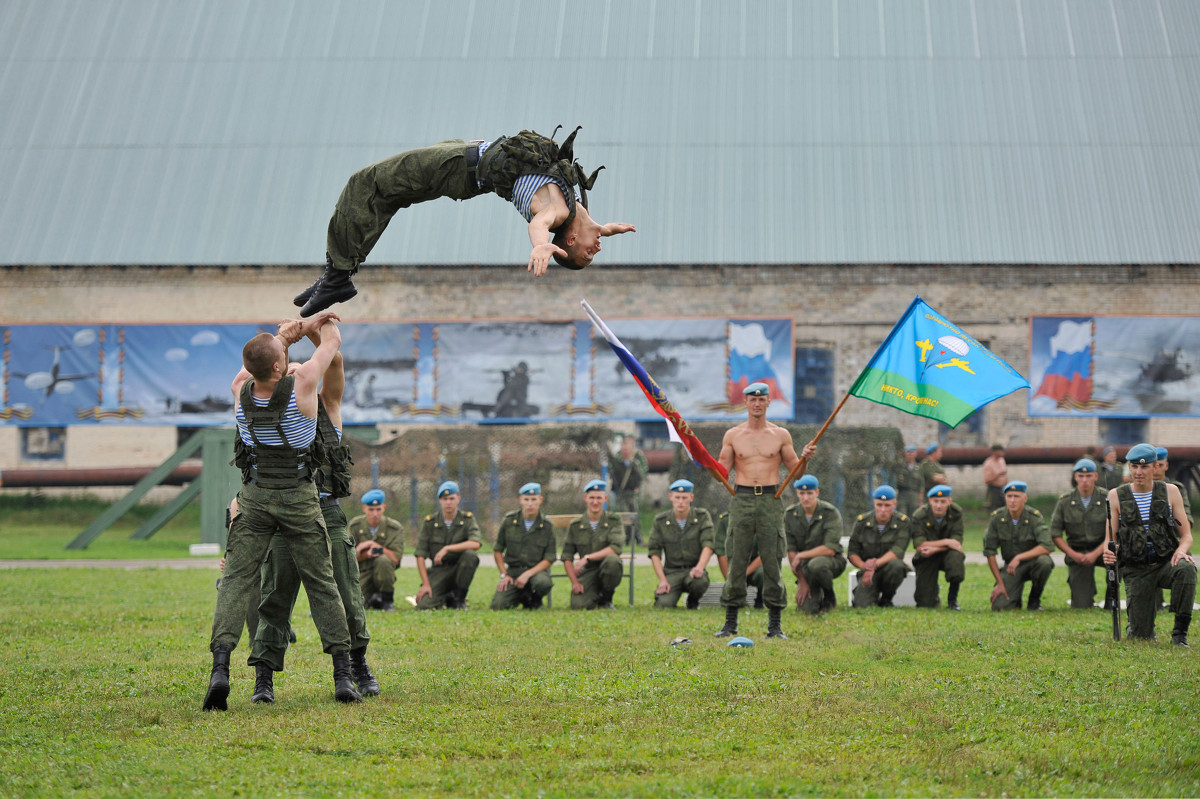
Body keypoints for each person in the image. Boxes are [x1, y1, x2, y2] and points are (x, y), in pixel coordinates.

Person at [295, 128, 637, 317]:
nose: (599, 247)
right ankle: (338, 273)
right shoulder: (579, 211)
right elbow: (597, 230)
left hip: (459, 166)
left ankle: (337, 275)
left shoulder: (557, 212)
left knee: (367, 182)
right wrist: (610, 228)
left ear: (570, 240)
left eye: (588, 254)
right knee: (388, 196)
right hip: (466, 153)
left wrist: (542, 246)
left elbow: (539, 225)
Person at [203, 312, 359, 710]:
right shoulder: (304, 385)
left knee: (237, 582)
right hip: (298, 498)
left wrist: (281, 337)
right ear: (280, 367)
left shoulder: (239, 390)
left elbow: (251, 367)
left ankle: (220, 669)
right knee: (322, 583)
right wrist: (317, 320)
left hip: (256, 497)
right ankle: (343, 673)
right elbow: (332, 344)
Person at [247, 319, 379, 704]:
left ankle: (358, 665)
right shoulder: (272, 420)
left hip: (327, 514)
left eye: (300, 374)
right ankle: (264, 678)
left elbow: (333, 365)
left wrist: (307, 330)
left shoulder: (327, 408)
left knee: (347, 595)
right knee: (274, 599)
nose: (296, 378)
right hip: (283, 518)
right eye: (288, 374)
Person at [714, 382, 816, 640]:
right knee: (737, 557)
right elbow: (721, 472)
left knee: (772, 559)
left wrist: (805, 459)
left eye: (762, 399)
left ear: (769, 402)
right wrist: (706, 462)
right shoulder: (733, 435)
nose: (757, 404)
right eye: (752, 399)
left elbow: (796, 472)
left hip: (772, 498)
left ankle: (775, 625)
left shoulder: (781, 435)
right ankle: (730, 623)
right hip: (742, 498)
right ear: (745, 403)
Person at [1103, 443, 1195, 646]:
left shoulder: (1171, 491)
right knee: (1140, 637)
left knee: (1187, 568)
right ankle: (1136, 623)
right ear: (1129, 466)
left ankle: (1180, 634)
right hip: (1136, 569)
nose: (1138, 472)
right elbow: (1110, 539)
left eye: (1144, 467)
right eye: (1134, 466)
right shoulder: (1115, 496)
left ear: (1155, 467)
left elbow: (1187, 535)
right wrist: (1109, 552)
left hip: (1165, 563)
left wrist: (1181, 551)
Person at [1050, 459, 1112, 610]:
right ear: (1075, 477)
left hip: (1103, 548)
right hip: (1077, 552)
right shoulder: (1065, 501)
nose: (1085, 480)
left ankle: (1112, 599)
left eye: (1089, 476)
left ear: (1096, 477)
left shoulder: (1108, 498)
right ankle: (1087, 591)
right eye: (1081, 476)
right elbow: (1055, 533)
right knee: (1081, 605)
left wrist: (1096, 553)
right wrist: (1073, 554)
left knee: (1117, 560)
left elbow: (1115, 530)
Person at [983, 481, 1054, 611]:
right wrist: (999, 583)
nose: (1012, 501)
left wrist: (1019, 557)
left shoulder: (1034, 517)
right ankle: (1015, 597)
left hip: (1033, 563)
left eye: (1017, 496)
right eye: (1009, 496)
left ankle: (1034, 600)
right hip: (1011, 568)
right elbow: (989, 551)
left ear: (1025, 498)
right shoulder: (997, 518)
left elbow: (1047, 546)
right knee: (1000, 607)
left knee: (1045, 562)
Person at [647, 480, 715, 609]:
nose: (680, 501)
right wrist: (663, 580)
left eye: (684, 498)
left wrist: (699, 568)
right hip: (672, 572)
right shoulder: (660, 521)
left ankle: (693, 601)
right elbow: (654, 552)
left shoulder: (702, 517)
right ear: (671, 497)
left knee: (699, 583)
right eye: (677, 497)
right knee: (663, 605)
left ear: (691, 498)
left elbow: (708, 544)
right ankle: (669, 595)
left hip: (693, 570)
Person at [414, 481, 482, 610]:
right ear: (440, 501)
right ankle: (446, 596)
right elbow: (420, 555)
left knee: (470, 556)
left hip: (458, 568)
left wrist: (447, 548)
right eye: (445, 499)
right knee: (423, 606)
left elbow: (476, 543)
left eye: (452, 498)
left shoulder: (467, 519)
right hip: (439, 571)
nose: (448, 502)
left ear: (458, 499)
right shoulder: (430, 522)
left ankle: (459, 598)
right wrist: (426, 584)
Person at [785, 475, 847, 615]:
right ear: (797, 493)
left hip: (830, 561)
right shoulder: (789, 515)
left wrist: (802, 555)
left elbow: (830, 549)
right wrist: (802, 581)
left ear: (817, 493)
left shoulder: (830, 513)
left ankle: (829, 594)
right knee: (807, 610)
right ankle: (814, 592)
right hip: (805, 567)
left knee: (817, 565)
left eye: (810, 493)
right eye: (802, 493)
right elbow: (791, 550)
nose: (806, 498)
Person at [491, 483, 557, 610]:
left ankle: (534, 600)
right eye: (526, 499)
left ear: (540, 500)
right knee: (497, 606)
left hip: (536, 572)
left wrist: (528, 574)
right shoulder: (509, 521)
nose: (530, 504)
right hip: (513, 572)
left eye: (534, 499)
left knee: (543, 583)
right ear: (520, 500)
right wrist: (504, 575)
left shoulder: (547, 526)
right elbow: (498, 549)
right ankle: (520, 596)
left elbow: (549, 558)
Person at [562, 480, 625, 609]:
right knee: (578, 605)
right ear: (585, 498)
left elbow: (615, 548)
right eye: (592, 497)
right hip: (588, 571)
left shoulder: (614, 521)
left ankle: (606, 598)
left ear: (605, 499)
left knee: (613, 561)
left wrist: (587, 558)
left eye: (599, 498)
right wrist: (574, 582)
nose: (595, 502)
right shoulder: (576, 525)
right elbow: (567, 556)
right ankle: (594, 594)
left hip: (605, 567)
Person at [847, 486, 912, 608]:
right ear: (874, 503)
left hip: (888, 568)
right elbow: (852, 552)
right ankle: (867, 594)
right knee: (861, 605)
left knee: (897, 566)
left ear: (894, 504)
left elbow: (897, 550)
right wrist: (865, 567)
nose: (883, 509)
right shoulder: (862, 522)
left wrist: (875, 564)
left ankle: (887, 599)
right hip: (867, 569)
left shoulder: (903, 522)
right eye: (879, 505)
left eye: (887, 505)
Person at [348, 489, 405, 611]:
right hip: (362, 574)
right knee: (354, 606)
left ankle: (387, 602)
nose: (375, 513)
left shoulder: (394, 528)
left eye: (378, 509)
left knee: (383, 560)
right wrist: (364, 554)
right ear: (364, 508)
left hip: (385, 576)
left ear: (384, 507)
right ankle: (374, 599)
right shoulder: (355, 526)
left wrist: (375, 546)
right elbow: (347, 558)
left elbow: (395, 558)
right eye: (371, 509)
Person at [910, 485, 965, 610]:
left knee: (956, 557)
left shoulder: (956, 513)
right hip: (926, 557)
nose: (939, 505)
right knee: (925, 604)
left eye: (943, 501)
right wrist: (946, 541)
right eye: (935, 501)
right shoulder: (919, 516)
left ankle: (952, 600)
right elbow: (920, 545)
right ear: (929, 501)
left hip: (946, 554)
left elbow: (956, 543)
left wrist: (935, 548)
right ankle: (932, 594)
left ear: (949, 501)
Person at [713, 510, 767, 607]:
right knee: (731, 603)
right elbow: (721, 553)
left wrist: (744, 573)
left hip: (753, 567)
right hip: (733, 569)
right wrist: (729, 580)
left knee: (765, 574)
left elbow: (765, 553)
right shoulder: (726, 520)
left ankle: (760, 599)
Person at [609, 436, 645, 546]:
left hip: (632, 492)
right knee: (623, 515)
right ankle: (625, 538)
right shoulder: (617, 459)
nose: (625, 450)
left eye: (627, 448)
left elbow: (640, 474)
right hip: (621, 493)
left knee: (634, 515)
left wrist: (637, 485)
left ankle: (638, 539)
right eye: (624, 448)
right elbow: (613, 474)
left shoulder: (636, 460)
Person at [1153, 447, 1193, 526]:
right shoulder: (1138, 488)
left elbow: (1186, 521)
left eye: (1160, 465)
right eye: (1154, 466)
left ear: (1166, 466)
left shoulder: (1176, 488)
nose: (1156, 470)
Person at [896, 445, 924, 518]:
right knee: (902, 516)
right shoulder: (900, 466)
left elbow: (921, 485)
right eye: (908, 452)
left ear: (915, 454)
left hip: (914, 495)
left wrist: (920, 500)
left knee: (914, 516)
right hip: (902, 495)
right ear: (905, 454)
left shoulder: (919, 468)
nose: (910, 454)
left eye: (912, 452)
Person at [981, 444, 1008, 512]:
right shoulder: (989, 463)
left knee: (1005, 508)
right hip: (994, 489)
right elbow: (987, 480)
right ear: (995, 452)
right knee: (995, 509)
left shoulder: (1001, 460)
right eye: (1001, 451)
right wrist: (998, 475)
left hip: (1003, 488)